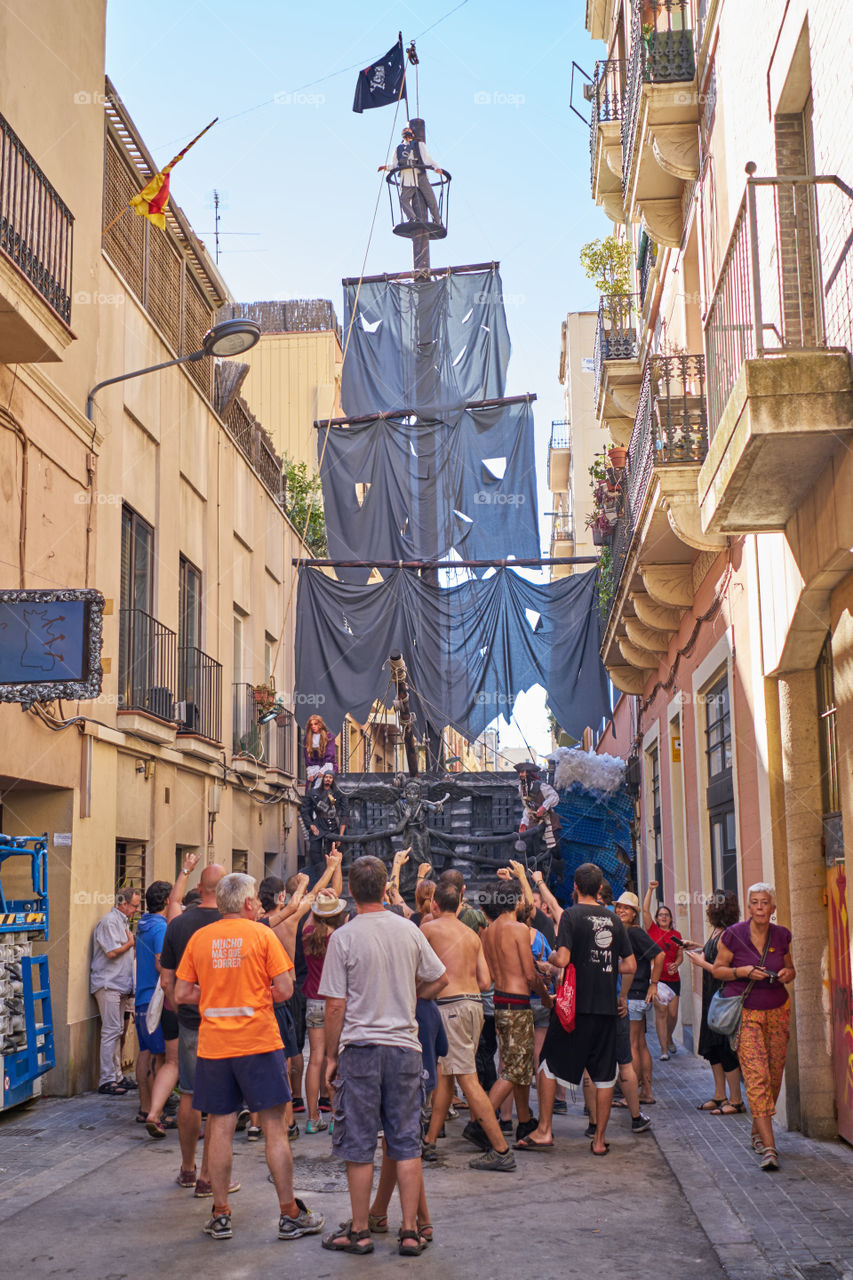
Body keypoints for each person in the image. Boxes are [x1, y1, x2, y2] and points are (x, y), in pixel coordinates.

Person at [175, 872, 324, 1242]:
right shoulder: (261, 935)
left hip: (214, 1048)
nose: (258, 903)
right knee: (275, 1127)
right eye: (255, 898)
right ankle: (289, 1213)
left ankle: (221, 1213)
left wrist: (213, 998)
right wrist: (257, 996)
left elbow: (181, 992)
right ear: (245, 903)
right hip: (259, 1043)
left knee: (221, 1128)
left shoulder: (200, 939)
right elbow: (286, 989)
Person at [319, 855, 447, 1256]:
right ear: (381, 889)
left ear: (352, 892)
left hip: (360, 1049)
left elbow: (335, 1005)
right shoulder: (408, 930)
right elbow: (440, 977)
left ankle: (359, 1231)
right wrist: (410, 1001)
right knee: (406, 1141)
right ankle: (410, 1231)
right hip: (405, 1049)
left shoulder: (343, 937)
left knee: (358, 1144)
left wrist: (331, 1056)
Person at [521, 863, 636, 1155]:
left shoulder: (572, 916)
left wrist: (550, 963)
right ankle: (599, 1140)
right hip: (606, 1009)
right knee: (604, 1074)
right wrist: (610, 976)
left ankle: (545, 1130)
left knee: (547, 1064)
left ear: (575, 886)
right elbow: (630, 965)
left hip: (574, 1009)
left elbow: (562, 959)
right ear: (600, 890)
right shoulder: (613, 920)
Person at [421, 880, 516, 1171]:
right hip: (474, 1004)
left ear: (435, 905)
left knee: (467, 1078)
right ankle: (429, 1141)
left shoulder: (428, 929)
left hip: (451, 1007)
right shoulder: (472, 935)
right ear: (459, 905)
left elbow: (417, 968)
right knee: (449, 1076)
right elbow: (486, 982)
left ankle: (501, 1149)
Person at [712, 882, 795, 1171]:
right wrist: (743, 971)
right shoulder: (733, 935)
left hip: (777, 1011)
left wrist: (788, 973)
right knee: (757, 1077)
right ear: (749, 907)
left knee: (773, 1077)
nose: (760, 908)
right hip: (746, 1013)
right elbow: (717, 969)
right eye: (755, 903)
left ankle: (757, 1132)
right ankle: (770, 1148)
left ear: (772, 908)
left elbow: (790, 967)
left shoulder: (782, 935)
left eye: (765, 903)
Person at [159, 863, 229, 1195]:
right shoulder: (236, 925)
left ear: (200, 888)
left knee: (189, 1093)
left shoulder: (178, 924)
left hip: (188, 1021)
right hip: (227, 1024)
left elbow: (167, 978)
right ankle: (208, 1178)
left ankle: (187, 1169)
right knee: (218, 1101)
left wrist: (181, 1004)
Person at [480, 869, 551, 1144]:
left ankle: (524, 1121)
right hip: (519, 1002)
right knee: (515, 1070)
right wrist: (545, 997)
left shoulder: (490, 931)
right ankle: (481, 1122)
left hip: (499, 1001)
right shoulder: (519, 929)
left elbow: (492, 974)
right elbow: (530, 974)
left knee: (515, 1064)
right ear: (517, 902)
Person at [686, 888, 745, 1116]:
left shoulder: (728, 934)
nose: (708, 906)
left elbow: (725, 970)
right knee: (713, 1050)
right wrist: (697, 946)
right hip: (711, 997)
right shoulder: (717, 932)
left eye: (711, 903)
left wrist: (701, 963)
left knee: (724, 1048)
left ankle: (736, 1099)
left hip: (722, 997)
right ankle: (720, 1095)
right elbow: (714, 955)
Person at [303, 889, 349, 1134]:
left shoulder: (307, 934)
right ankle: (335, 1117)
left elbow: (311, 920)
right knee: (337, 1059)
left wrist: (316, 905)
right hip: (335, 1003)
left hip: (313, 1000)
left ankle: (312, 1117)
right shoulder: (340, 937)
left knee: (316, 1059)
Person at [613, 891, 663, 1105]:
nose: (621, 911)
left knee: (631, 1043)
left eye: (627, 908)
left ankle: (630, 1095)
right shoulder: (628, 932)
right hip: (638, 995)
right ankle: (646, 1092)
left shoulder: (634, 933)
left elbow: (659, 954)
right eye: (619, 907)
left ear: (634, 914)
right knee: (641, 1043)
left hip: (634, 995)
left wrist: (653, 984)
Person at [90, 885, 140, 1095]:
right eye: (134, 906)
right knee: (111, 1031)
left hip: (119, 984)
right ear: (123, 903)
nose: (136, 910)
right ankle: (107, 1079)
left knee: (117, 1030)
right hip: (108, 983)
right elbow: (111, 953)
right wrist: (130, 944)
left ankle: (117, 1076)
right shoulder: (109, 922)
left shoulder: (122, 922)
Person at [134, 880, 171, 1121]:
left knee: (145, 1053)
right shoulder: (160, 927)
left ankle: (145, 1107)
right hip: (155, 1000)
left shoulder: (143, 925)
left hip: (141, 998)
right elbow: (161, 964)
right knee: (160, 1057)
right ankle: (157, 1113)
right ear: (168, 901)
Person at [642, 880, 684, 1060]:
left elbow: (680, 955)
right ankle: (663, 1050)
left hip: (674, 979)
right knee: (661, 1012)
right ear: (657, 918)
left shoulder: (677, 936)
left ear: (670, 918)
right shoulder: (652, 931)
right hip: (657, 980)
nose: (664, 917)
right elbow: (644, 911)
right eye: (661, 915)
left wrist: (677, 964)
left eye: (667, 915)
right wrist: (650, 890)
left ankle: (668, 1038)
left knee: (673, 1015)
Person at [378, 124, 444, 226]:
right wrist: (386, 167)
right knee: (403, 199)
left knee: (431, 199)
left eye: (409, 133)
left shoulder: (418, 144)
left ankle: (437, 221)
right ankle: (412, 218)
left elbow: (427, 158)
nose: (408, 136)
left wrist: (436, 166)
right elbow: (395, 164)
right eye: (405, 134)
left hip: (419, 174)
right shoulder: (398, 148)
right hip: (407, 176)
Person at [300, 772, 349, 887]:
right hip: (318, 826)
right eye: (326, 777)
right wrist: (311, 826)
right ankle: (320, 880)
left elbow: (345, 814)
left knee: (334, 853)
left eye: (330, 777)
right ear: (323, 779)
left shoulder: (339, 794)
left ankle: (333, 881)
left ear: (333, 780)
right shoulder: (313, 793)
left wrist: (341, 835)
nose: (328, 779)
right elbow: (304, 811)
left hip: (334, 828)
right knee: (315, 852)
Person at [515, 762, 562, 853]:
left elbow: (554, 796)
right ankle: (535, 865)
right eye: (520, 773)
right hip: (534, 821)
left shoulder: (541, 786)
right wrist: (524, 822)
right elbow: (527, 807)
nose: (521, 775)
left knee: (555, 849)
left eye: (523, 772)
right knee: (530, 846)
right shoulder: (522, 788)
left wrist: (544, 807)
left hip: (548, 820)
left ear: (528, 773)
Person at [303, 714, 337, 787]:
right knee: (310, 783)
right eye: (311, 725)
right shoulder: (307, 739)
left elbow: (330, 754)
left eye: (315, 724)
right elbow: (307, 757)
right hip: (314, 765)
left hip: (327, 764)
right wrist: (311, 772)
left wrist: (322, 770)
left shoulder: (329, 737)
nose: (313, 726)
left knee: (324, 778)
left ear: (320, 725)